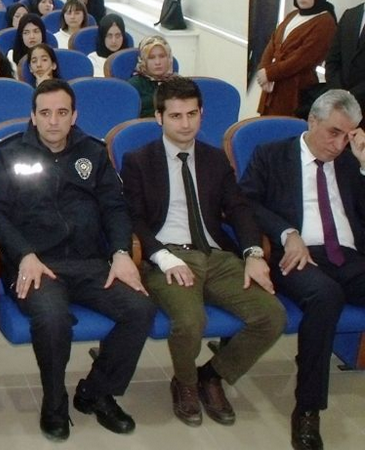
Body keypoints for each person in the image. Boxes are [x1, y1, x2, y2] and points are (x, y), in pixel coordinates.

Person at [0, 79, 156, 441]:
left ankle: (96, 392)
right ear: (33, 116)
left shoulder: (93, 153)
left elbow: (115, 207)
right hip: (36, 264)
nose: (54, 121)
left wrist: (121, 253)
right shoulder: (9, 153)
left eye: (62, 112)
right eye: (45, 113)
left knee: (140, 309)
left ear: (74, 115)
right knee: (53, 320)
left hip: (89, 262)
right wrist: (24, 254)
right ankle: (54, 403)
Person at [122, 76, 286, 428]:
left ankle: (211, 375)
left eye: (192, 114)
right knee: (190, 321)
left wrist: (253, 253)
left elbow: (238, 208)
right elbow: (133, 218)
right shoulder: (139, 161)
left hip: (216, 255)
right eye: (176, 116)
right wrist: (163, 258)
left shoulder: (214, 159)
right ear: (159, 118)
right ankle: (185, 383)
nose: (185, 124)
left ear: (202, 114)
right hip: (167, 256)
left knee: (272, 316)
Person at [239, 89, 365, 450]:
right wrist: (286, 232)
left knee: (334, 292)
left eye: (348, 135)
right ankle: (308, 409)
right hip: (296, 256)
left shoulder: (351, 161)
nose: (339, 145)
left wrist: (364, 166)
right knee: (326, 297)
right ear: (312, 121)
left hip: (348, 255)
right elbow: (244, 202)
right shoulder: (272, 155)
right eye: (333, 133)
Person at [256, 0, 337, 118]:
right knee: (265, 126)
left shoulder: (325, 22)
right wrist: (264, 69)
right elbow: (273, 43)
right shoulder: (293, 14)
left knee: (284, 128)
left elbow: (302, 58)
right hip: (273, 87)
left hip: (296, 90)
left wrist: (269, 73)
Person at [325, 0, 365, 115]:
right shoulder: (350, 15)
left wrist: (351, 96)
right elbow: (332, 60)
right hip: (339, 108)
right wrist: (339, 93)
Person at [128, 35, 175, 118]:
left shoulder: (178, 83)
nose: (158, 62)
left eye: (162, 56)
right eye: (151, 57)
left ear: (169, 58)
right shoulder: (133, 86)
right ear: (143, 61)